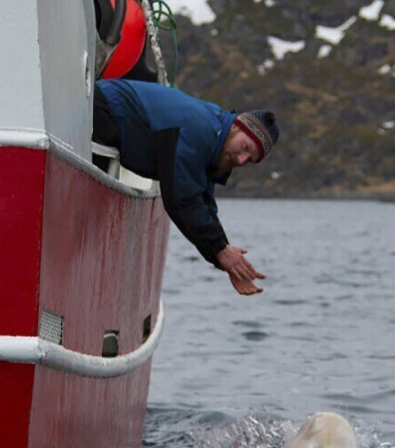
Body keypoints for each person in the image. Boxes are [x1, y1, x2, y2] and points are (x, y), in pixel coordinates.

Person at [93, 79, 281, 296]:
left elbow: (203, 203)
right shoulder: (200, 129)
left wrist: (225, 256)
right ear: (237, 126)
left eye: (249, 160)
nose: (241, 160)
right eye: (245, 148)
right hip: (103, 107)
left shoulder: (216, 140)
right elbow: (181, 198)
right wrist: (220, 251)